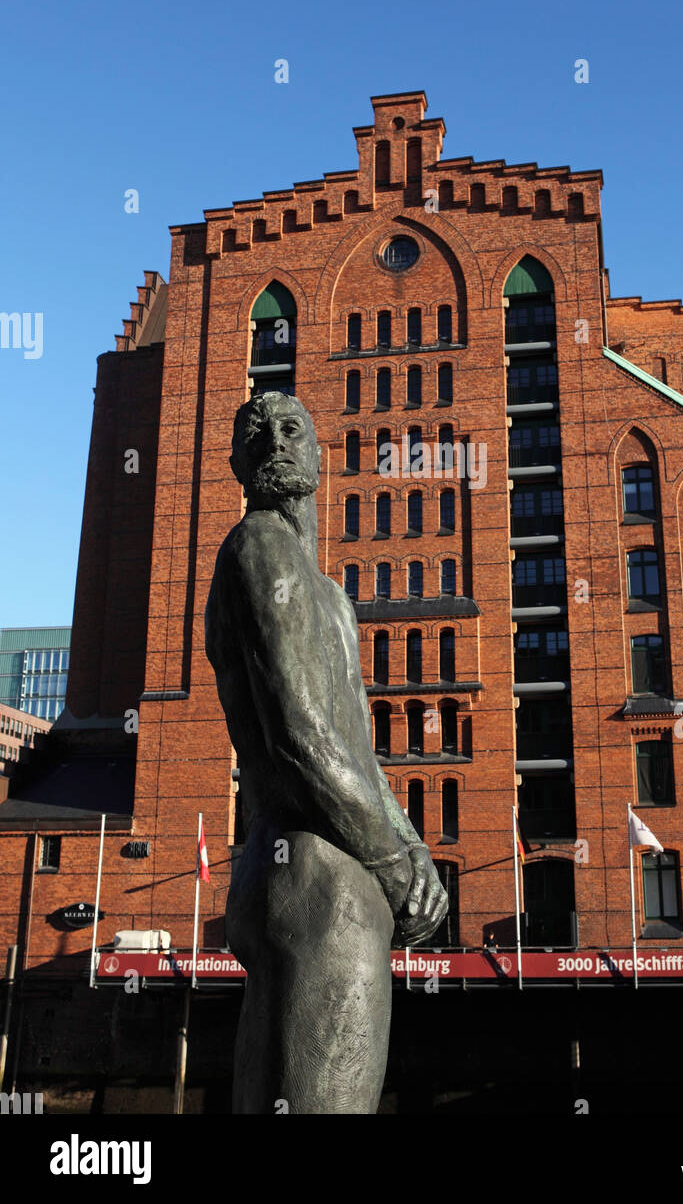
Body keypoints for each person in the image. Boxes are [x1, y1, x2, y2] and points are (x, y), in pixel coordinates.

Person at [205, 391, 447, 1113]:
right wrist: (397, 862)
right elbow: (299, 734)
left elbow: (358, 751)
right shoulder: (259, 545)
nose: (276, 442)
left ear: (318, 453)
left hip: (327, 868)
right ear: (237, 464)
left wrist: (413, 847)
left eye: (291, 430)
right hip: (316, 872)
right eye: (258, 435)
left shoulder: (334, 598)